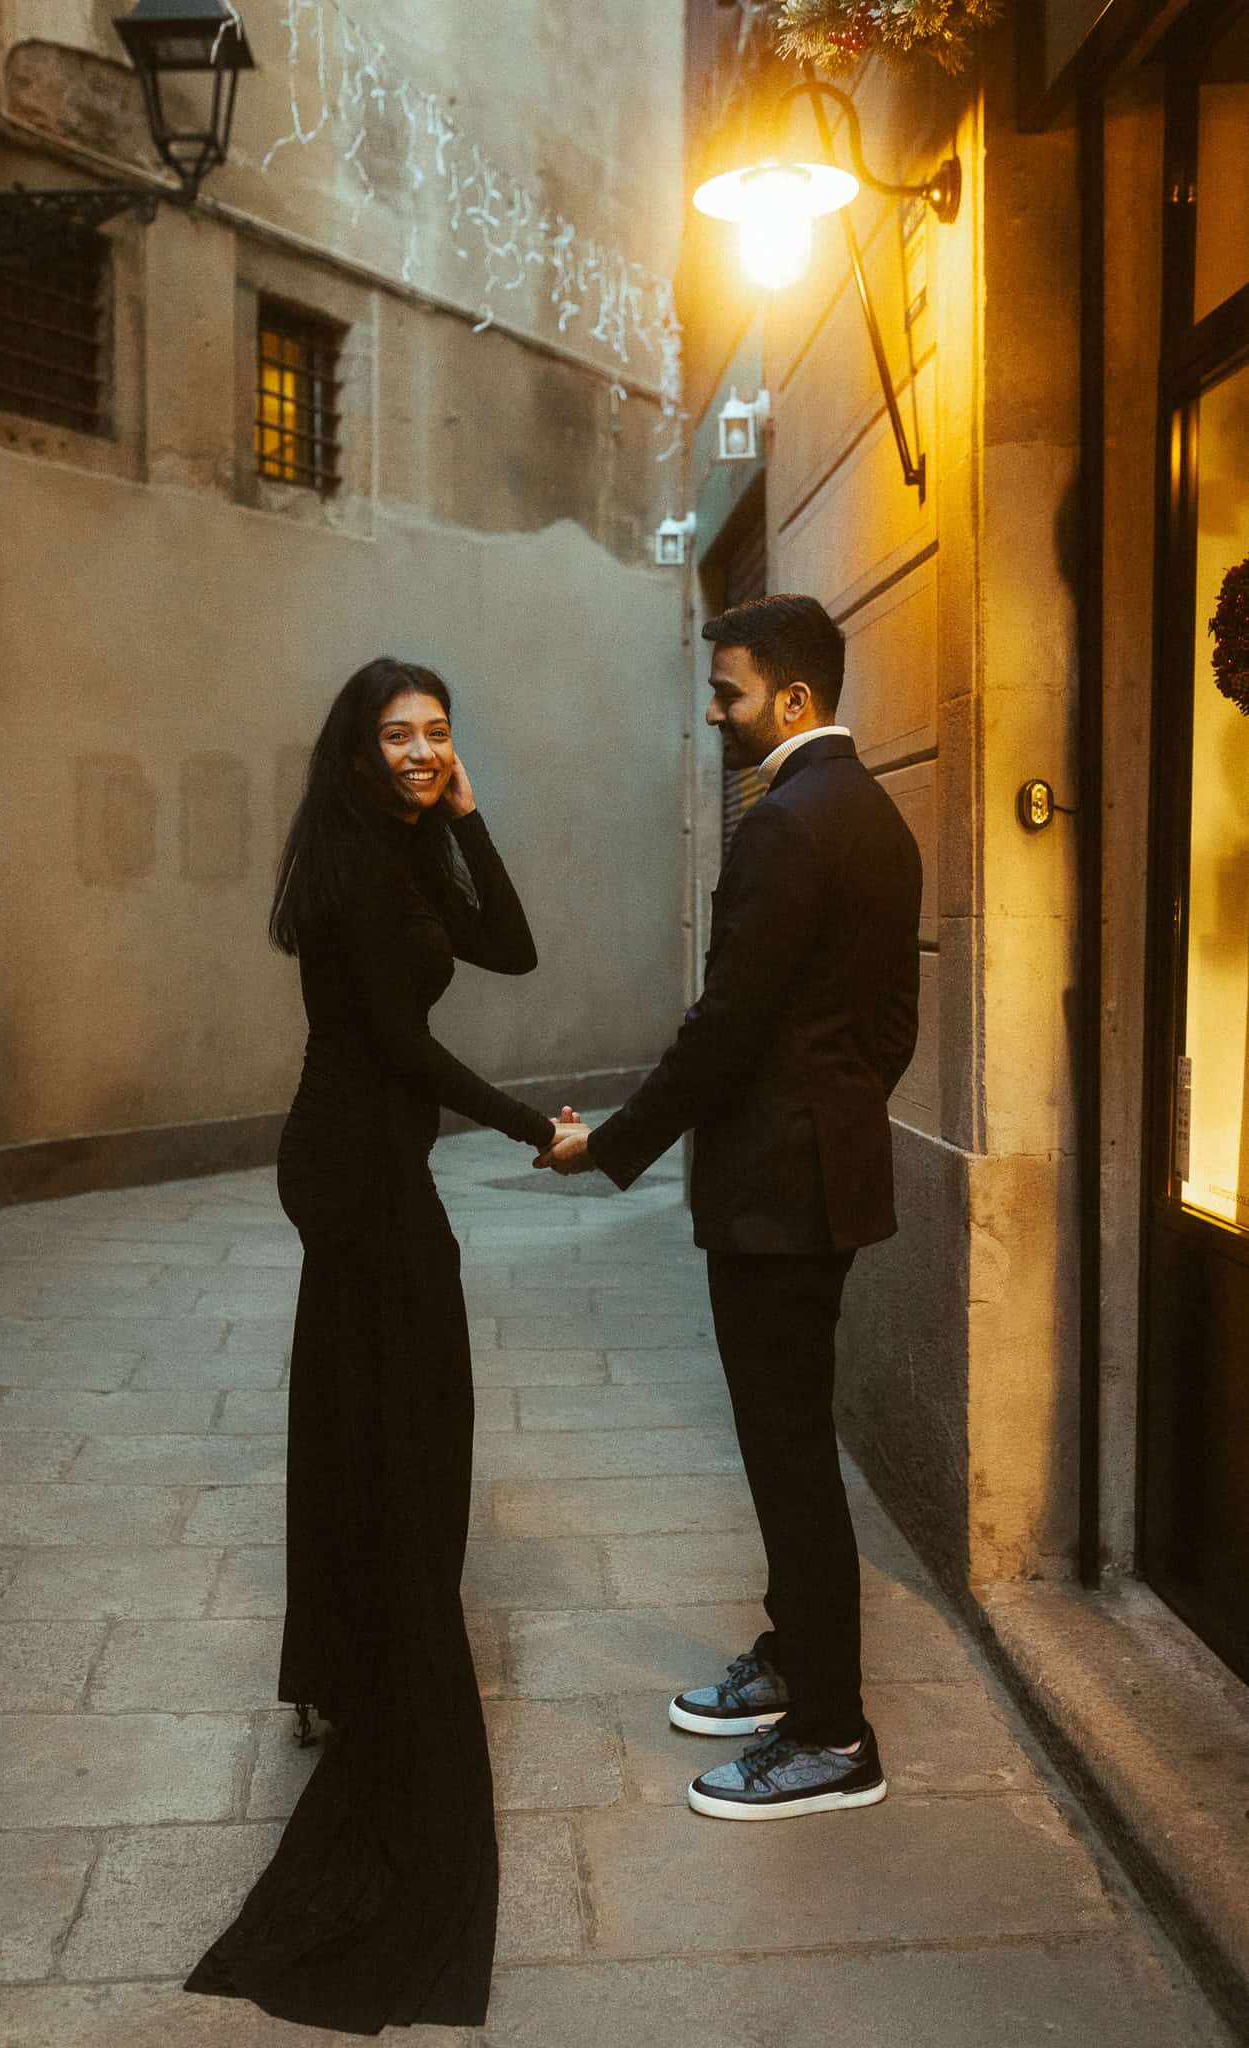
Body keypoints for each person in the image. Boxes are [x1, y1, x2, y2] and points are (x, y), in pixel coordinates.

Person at [186, 657, 563, 2033]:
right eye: (400, 735)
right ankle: (361, 1656)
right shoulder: (349, 873)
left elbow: (511, 947)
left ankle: (336, 1660)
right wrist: (540, 1129)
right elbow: (403, 1052)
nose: (419, 751)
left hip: (370, 1164)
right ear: (356, 748)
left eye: (438, 734)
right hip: (354, 1166)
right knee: (398, 1416)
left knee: (360, 1419)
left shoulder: (406, 849)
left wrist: (466, 812)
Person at [540, 593, 922, 1822]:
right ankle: (797, 1657)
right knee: (791, 1437)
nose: (715, 712)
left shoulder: (785, 826)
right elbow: (886, 1030)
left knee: (789, 1451)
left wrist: (615, 1143)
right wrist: (836, 1121)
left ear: (794, 699)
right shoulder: (879, 818)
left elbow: (726, 1027)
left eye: (730, 692)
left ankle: (831, 1733)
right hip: (823, 1180)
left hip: (771, 1197)